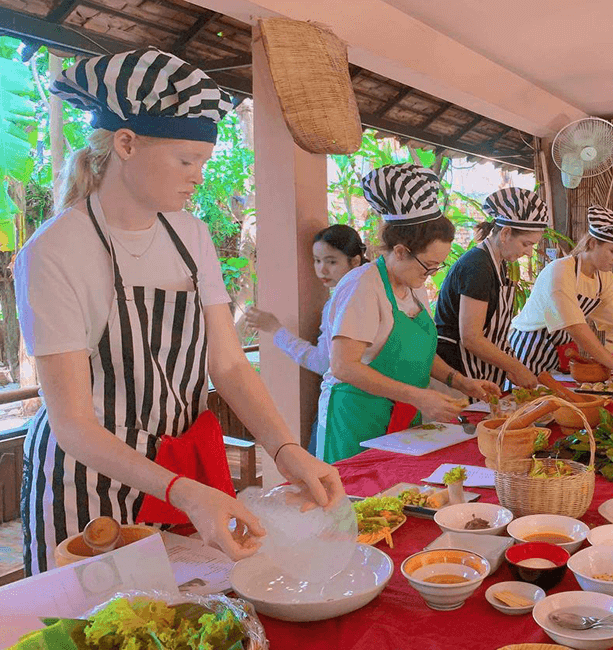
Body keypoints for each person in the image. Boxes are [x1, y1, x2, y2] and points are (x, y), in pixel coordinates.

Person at [16, 48, 343, 575]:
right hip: (88, 483)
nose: (197, 177)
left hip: (178, 470)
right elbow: (73, 422)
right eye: (186, 160)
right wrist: (185, 493)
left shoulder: (188, 233)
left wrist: (286, 450)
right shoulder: (56, 251)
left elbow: (230, 365)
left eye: (203, 163)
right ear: (126, 143)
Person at [317, 163, 499, 463]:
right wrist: (417, 395)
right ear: (400, 251)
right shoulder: (363, 286)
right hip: (357, 416)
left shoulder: (412, 284)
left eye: (438, 266)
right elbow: (344, 366)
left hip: (400, 413)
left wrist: (460, 382)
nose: (431, 273)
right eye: (428, 265)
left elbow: (419, 353)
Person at [246, 225, 367, 454]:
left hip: (344, 409)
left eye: (331, 261)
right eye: (317, 260)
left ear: (355, 261)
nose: (322, 269)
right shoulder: (367, 291)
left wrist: (276, 330)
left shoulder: (342, 302)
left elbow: (323, 363)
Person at [508, 205, 613, 384]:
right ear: (592, 243)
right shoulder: (560, 271)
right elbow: (576, 329)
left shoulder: (605, 279)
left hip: (559, 350)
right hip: (529, 348)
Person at [435, 188, 548, 391]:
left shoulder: (499, 263)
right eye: (526, 243)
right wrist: (517, 367)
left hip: (479, 372)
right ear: (505, 233)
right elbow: (471, 338)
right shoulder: (477, 266)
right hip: (456, 371)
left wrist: (511, 367)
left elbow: (494, 331)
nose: (529, 252)